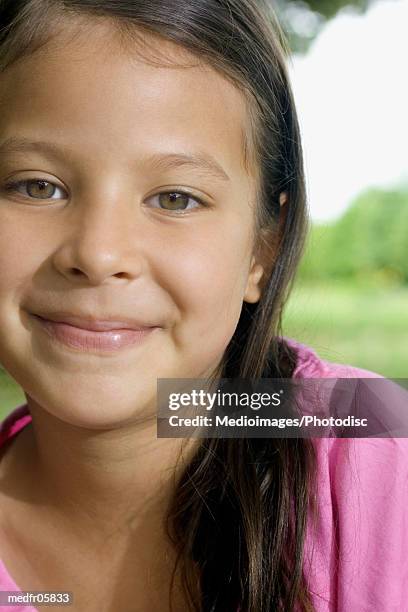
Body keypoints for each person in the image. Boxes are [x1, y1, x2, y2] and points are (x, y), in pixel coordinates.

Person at [0, 1, 406, 611]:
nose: (99, 252)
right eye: (37, 185)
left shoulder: (377, 436)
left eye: (175, 198)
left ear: (261, 249)